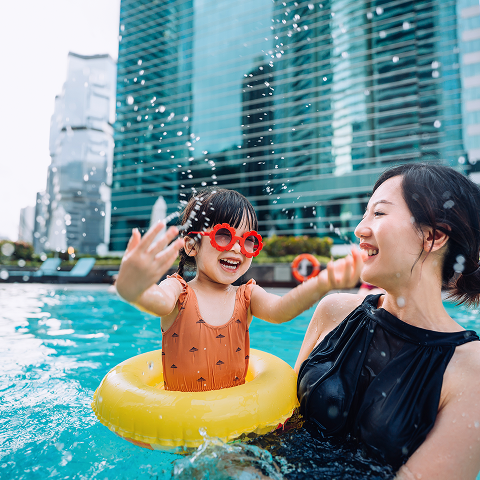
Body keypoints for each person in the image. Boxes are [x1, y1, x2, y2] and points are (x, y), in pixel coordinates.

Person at [294, 163, 480, 479]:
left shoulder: (470, 372)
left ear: (433, 236)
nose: (359, 229)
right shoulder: (334, 310)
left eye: (379, 214)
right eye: (365, 213)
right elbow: (287, 420)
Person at [115, 188, 363, 393]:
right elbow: (155, 300)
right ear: (191, 246)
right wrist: (132, 289)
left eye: (248, 240)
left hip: (234, 422)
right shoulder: (178, 291)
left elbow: (281, 310)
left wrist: (321, 284)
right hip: (184, 426)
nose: (237, 249)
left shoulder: (246, 296)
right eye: (224, 235)